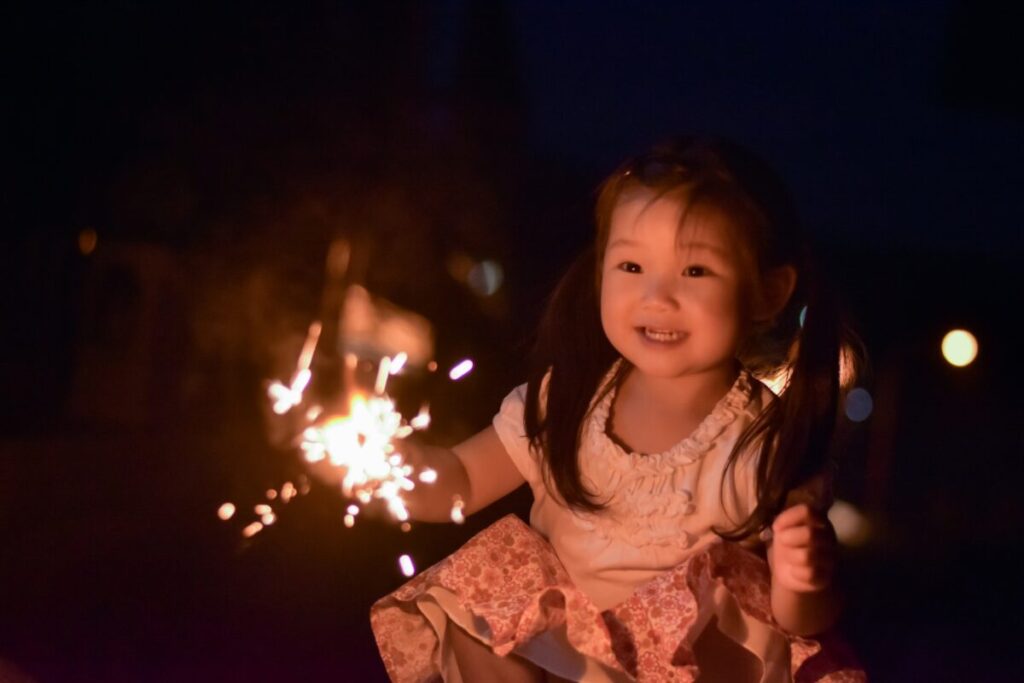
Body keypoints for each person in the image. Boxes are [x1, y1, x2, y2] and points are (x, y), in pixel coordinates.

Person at [371, 136, 865, 682]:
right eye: (631, 266)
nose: (657, 296)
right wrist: (381, 469)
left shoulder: (764, 444)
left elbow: (801, 621)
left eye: (695, 271)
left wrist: (805, 581)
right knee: (479, 613)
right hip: (556, 664)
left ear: (768, 293)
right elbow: (461, 478)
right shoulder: (567, 402)